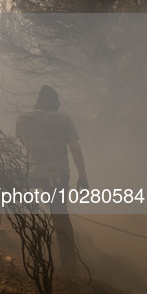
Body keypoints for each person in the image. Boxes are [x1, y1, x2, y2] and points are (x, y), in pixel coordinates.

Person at [16, 85, 88, 275]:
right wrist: (83, 177)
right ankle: (69, 266)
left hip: (33, 174)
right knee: (60, 215)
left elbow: (26, 144)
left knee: (1, 189)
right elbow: (75, 149)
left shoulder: (23, 119)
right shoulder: (63, 119)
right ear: (55, 103)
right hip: (59, 176)